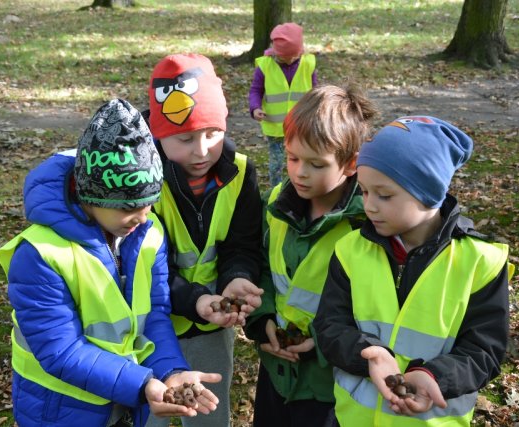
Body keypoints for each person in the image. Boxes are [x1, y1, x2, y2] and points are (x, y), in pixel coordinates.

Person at [0, 99, 223, 427]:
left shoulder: (148, 234)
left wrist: (171, 371)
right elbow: (61, 352)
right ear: (90, 196)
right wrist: (142, 384)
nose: (142, 217)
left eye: (148, 204)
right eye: (128, 206)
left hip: (123, 406)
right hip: (60, 410)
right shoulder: (39, 255)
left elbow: (154, 317)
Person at [312, 116, 513, 426]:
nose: (370, 206)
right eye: (364, 192)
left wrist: (435, 376)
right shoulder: (351, 250)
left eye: (385, 195)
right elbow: (329, 325)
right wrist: (370, 355)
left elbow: (484, 350)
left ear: (430, 193)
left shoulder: (480, 262)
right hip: (352, 419)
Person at [244, 84, 378, 427]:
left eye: (316, 164)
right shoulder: (277, 202)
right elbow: (262, 268)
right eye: (292, 158)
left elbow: (370, 308)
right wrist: (263, 321)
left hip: (328, 385)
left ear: (350, 165)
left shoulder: (364, 225)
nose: (300, 172)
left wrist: (319, 343)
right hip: (275, 374)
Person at [144, 53, 264, 427]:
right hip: (148, 326)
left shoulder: (240, 172)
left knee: (210, 415)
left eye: (213, 133)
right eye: (185, 138)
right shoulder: (144, 179)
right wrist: (194, 300)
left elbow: (241, 243)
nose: (201, 151)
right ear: (159, 134)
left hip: (212, 326)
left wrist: (237, 277)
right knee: (149, 414)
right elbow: (143, 266)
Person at [249, 22, 318, 187]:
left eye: (293, 57)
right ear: (275, 52)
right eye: (283, 58)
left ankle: (299, 186)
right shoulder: (265, 66)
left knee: (302, 158)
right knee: (277, 162)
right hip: (275, 126)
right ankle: (276, 190)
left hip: (301, 123)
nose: (288, 61)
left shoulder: (308, 64)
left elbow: (316, 91)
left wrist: (318, 109)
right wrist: (255, 108)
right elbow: (255, 90)